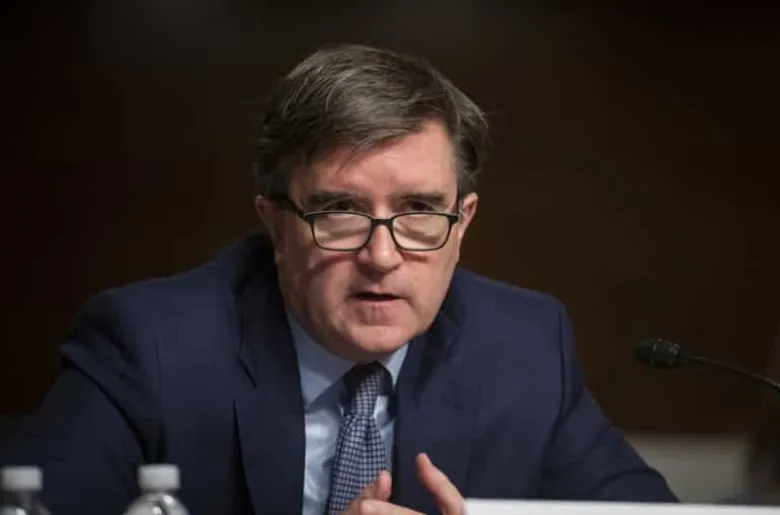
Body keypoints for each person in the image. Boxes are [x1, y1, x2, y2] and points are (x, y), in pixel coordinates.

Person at [1, 44, 678, 514]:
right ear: (276, 223)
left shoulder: (524, 348)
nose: (382, 256)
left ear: (463, 220)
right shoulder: (151, 347)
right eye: (340, 211)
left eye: (419, 211)